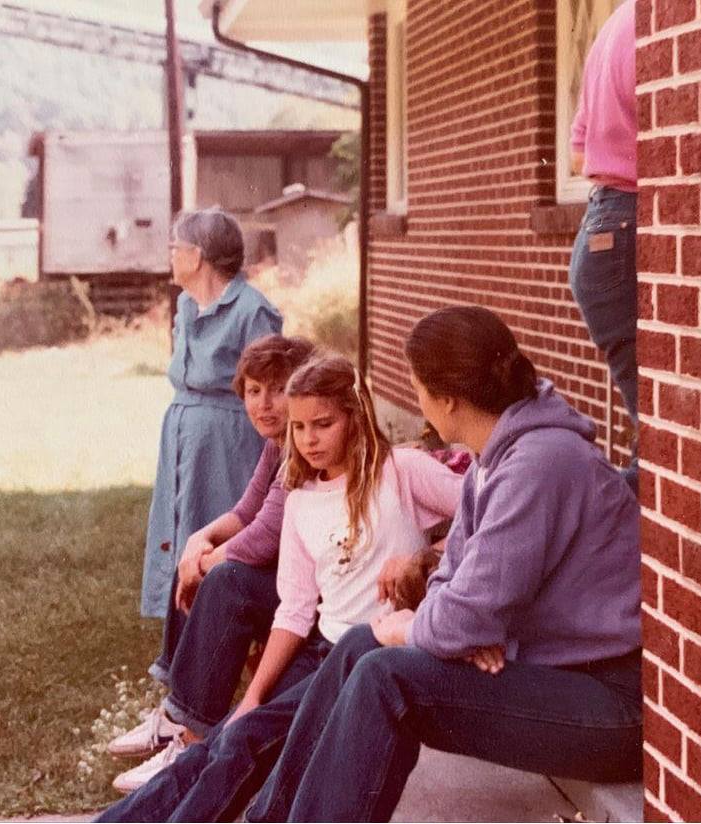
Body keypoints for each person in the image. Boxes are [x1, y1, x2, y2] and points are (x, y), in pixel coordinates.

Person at [245, 305, 642, 823]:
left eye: (417, 388)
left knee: (387, 675)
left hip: (612, 705)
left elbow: (462, 615)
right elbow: (454, 583)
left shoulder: (540, 464)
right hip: (554, 673)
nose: (418, 401)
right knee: (358, 644)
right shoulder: (492, 460)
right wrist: (454, 626)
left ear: (447, 399)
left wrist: (423, 628)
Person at [95, 354, 464, 822]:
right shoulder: (301, 502)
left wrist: (425, 560)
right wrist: (252, 697)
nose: (308, 440)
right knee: (217, 743)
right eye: (299, 427)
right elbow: (293, 610)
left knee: (244, 746)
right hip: (317, 650)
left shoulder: (401, 471)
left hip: (370, 656)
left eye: (323, 424)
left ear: (355, 415)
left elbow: (488, 511)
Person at [108, 334, 315, 792]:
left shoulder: (304, 446)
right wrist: (198, 542)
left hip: (317, 602)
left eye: (278, 390)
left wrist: (203, 563)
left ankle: (190, 730)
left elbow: (265, 535)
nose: (264, 404)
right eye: (254, 390)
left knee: (225, 579)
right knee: (200, 560)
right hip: (293, 583)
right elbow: (246, 511)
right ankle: (174, 712)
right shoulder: (278, 445)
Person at [141, 209, 282, 620]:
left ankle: (221, 623)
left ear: (198, 254)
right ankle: (180, 627)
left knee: (219, 526)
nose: (170, 254)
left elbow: (272, 386)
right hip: (184, 433)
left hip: (231, 439)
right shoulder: (185, 305)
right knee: (179, 524)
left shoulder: (253, 310)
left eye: (175, 247)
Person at [569, 0, 637, 487]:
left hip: (602, 224)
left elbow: (578, 155)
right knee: (662, 427)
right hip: (628, 226)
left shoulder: (613, 24)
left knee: (652, 424)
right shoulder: (668, 16)